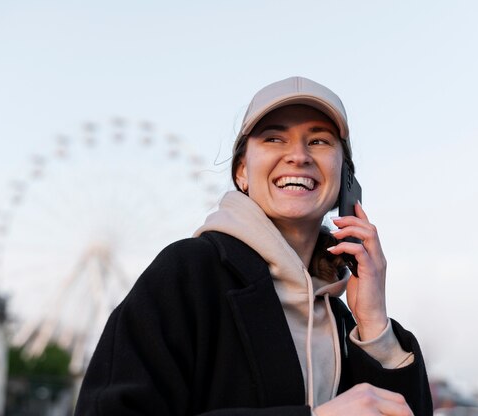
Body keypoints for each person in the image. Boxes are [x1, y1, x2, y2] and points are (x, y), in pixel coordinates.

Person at [74, 76, 433, 415]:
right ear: (242, 171)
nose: (299, 155)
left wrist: (373, 323)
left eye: (319, 141)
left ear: (346, 178)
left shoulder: (343, 322)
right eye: (274, 139)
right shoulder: (186, 274)